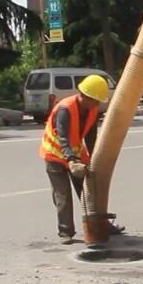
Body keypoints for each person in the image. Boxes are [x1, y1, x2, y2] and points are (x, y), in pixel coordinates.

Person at [39, 74, 124, 244]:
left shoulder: (91, 109)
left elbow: (91, 136)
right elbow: (62, 136)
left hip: (76, 156)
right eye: (96, 100)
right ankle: (66, 232)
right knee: (62, 194)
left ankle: (101, 225)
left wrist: (94, 158)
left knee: (88, 192)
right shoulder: (65, 108)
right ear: (85, 96)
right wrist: (71, 160)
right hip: (55, 156)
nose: (98, 104)